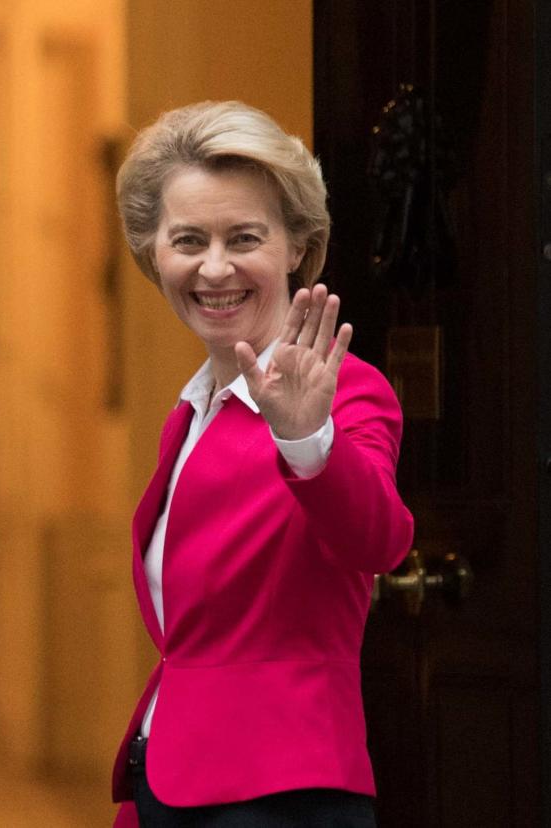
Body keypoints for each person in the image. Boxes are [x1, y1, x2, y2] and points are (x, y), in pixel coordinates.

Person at [109, 101, 414, 827]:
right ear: (155, 254)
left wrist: (309, 441)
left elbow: (380, 539)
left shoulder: (344, 390)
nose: (215, 267)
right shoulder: (189, 413)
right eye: (188, 240)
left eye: (244, 237)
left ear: (297, 248)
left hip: (282, 793)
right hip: (174, 783)